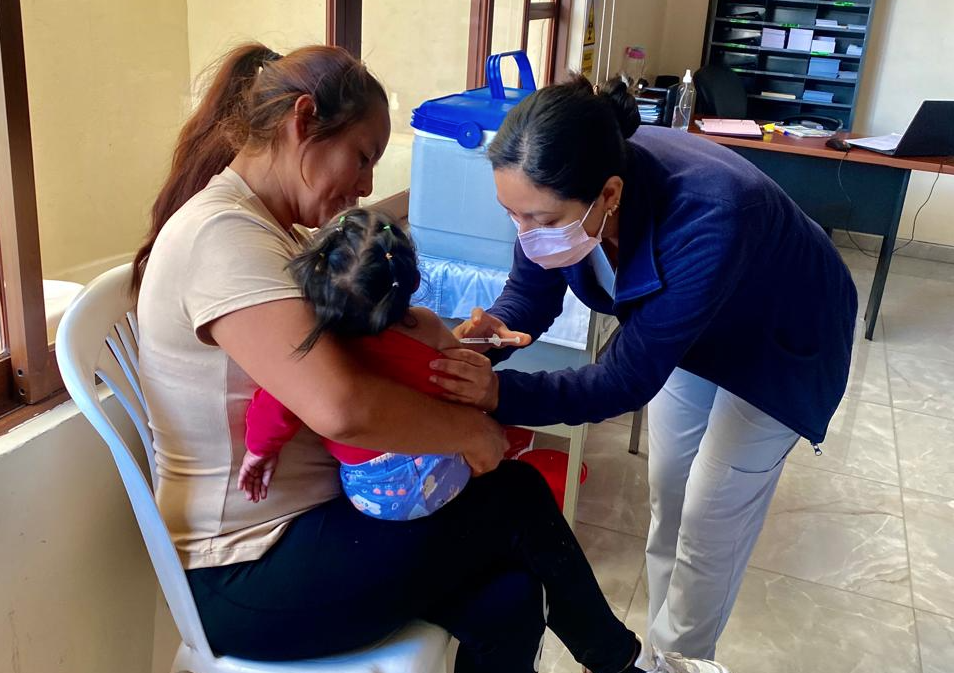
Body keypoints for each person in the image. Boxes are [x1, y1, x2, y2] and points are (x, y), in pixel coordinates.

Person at [134, 43, 727, 673]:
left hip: (316, 525)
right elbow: (342, 406)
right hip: (248, 565)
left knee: (511, 597)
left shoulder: (279, 232)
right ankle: (621, 667)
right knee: (517, 497)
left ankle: (616, 663)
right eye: (362, 158)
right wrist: (471, 432)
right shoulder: (224, 236)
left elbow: (359, 362)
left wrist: (447, 349)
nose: (367, 186)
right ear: (303, 122)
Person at [433, 75, 858, 666]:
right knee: (670, 495)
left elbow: (622, 382)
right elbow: (528, 294)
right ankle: (661, 648)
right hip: (687, 330)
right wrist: (483, 342)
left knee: (709, 522)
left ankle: (678, 660)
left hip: (780, 340)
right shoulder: (561, 187)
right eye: (514, 216)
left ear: (609, 194)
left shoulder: (713, 212)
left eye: (540, 220)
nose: (527, 235)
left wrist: (496, 392)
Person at [239, 209, 472, 520]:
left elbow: (275, 405)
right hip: (450, 468)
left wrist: (259, 451)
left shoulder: (321, 355)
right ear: (415, 282)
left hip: (375, 496)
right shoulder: (427, 325)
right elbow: (460, 374)